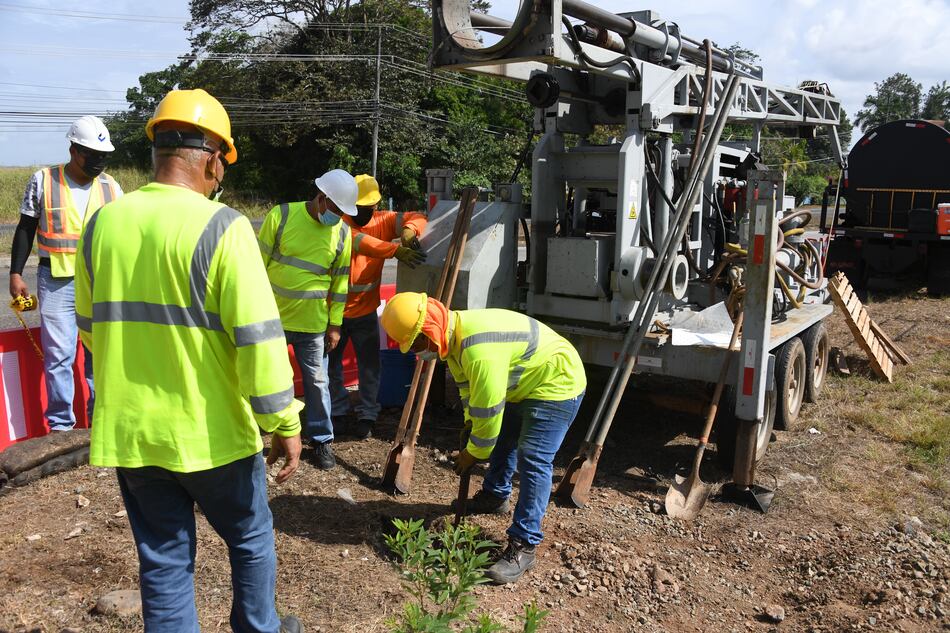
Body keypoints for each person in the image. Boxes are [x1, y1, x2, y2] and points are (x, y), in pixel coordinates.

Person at [75, 88, 304, 633]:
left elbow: (90, 331)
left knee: (162, 558)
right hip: (213, 434)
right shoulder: (223, 228)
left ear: (158, 151)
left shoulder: (102, 224)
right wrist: (283, 424)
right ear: (212, 159)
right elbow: (260, 341)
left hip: (133, 436)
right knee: (249, 539)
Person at [380, 292, 587, 585]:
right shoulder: (453, 340)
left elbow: (489, 416)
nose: (416, 351)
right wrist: (469, 424)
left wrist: (473, 452)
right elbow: (469, 391)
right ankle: (495, 495)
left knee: (533, 457)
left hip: (557, 381)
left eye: (416, 342)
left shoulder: (477, 349)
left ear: (429, 330)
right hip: (524, 381)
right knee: (504, 439)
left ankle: (524, 545)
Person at [10, 115, 122, 432]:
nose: (99, 162)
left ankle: (99, 422)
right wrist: (15, 274)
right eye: (93, 155)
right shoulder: (43, 180)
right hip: (56, 281)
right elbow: (25, 228)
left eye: (104, 157)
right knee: (59, 353)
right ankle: (61, 426)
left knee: (99, 353)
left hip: (101, 282)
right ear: (74, 150)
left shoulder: (111, 186)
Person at [258, 169, 357, 470]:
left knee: (317, 382)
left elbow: (340, 284)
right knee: (263, 377)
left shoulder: (342, 232)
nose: (339, 216)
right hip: (271, 320)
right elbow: (256, 265)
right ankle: (258, 432)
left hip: (313, 324)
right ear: (322, 198)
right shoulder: (282, 215)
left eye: (343, 212)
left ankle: (322, 440)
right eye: (337, 209)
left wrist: (336, 325)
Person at [328, 174, 427, 439]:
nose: (365, 212)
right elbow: (361, 241)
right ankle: (336, 412)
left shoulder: (383, 220)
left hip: (365, 311)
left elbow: (416, 215)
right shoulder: (338, 223)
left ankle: (367, 415)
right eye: (360, 207)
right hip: (333, 313)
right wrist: (395, 250)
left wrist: (409, 231)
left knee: (369, 367)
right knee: (332, 367)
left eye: (369, 207)